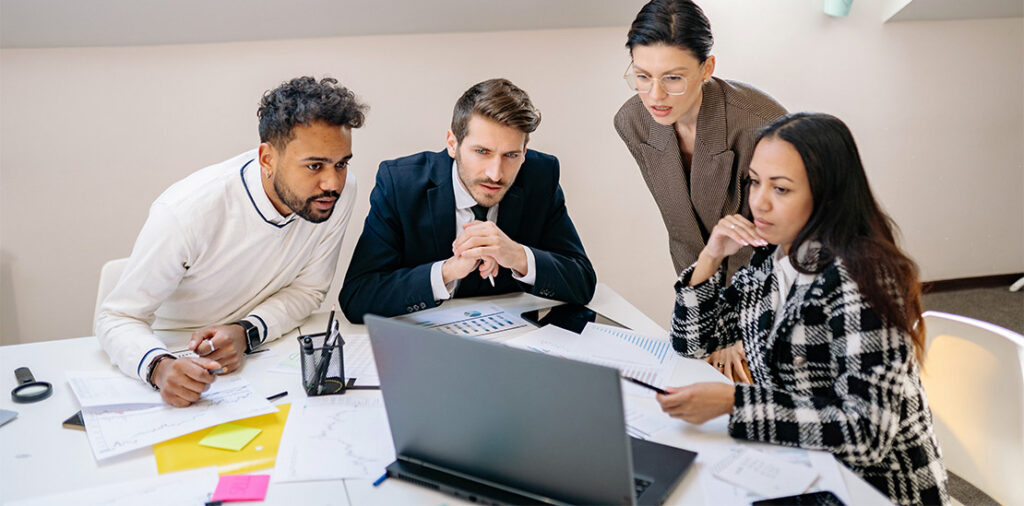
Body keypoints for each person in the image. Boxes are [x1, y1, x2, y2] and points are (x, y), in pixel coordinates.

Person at [656, 113, 949, 505]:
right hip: (799, 464)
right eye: (755, 182)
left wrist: (733, 403)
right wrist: (710, 257)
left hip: (876, 488)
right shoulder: (772, 256)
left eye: (781, 189)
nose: (758, 202)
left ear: (826, 194)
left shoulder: (864, 277)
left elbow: (866, 432)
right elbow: (692, 343)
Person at [96, 76, 366, 407]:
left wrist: (246, 332)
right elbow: (117, 317)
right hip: (175, 356)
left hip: (260, 356)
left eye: (341, 163)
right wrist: (158, 368)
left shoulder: (337, 192)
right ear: (267, 159)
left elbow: (307, 291)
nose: (332, 182)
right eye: (314, 165)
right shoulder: (187, 211)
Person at [614, 0, 787, 383]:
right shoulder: (633, 121)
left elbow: (771, 242)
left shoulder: (763, 125)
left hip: (772, 291)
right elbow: (685, 229)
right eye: (642, 76)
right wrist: (702, 323)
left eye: (673, 78)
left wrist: (734, 332)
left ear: (707, 68)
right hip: (700, 283)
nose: (655, 96)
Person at [339, 78, 596, 323]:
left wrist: (517, 255)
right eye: (482, 152)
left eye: (511, 155)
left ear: (524, 153)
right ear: (453, 143)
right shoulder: (400, 184)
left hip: (515, 343)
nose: (495, 174)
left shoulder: (540, 176)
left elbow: (582, 281)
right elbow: (357, 296)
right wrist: (446, 272)